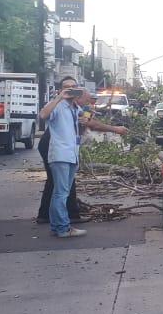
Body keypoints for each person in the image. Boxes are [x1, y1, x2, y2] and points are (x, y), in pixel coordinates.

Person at [35, 80, 128, 224]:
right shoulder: (59, 106)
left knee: (59, 184)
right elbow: (43, 115)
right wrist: (115, 129)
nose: (88, 102)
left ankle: (51, 216)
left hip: (69, 152)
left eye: (74, 88)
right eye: (86, 99)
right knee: (61, 188)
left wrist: (86, 118)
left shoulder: (76, 109)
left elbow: (85, 124)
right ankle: (64, 219)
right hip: (56, 149)